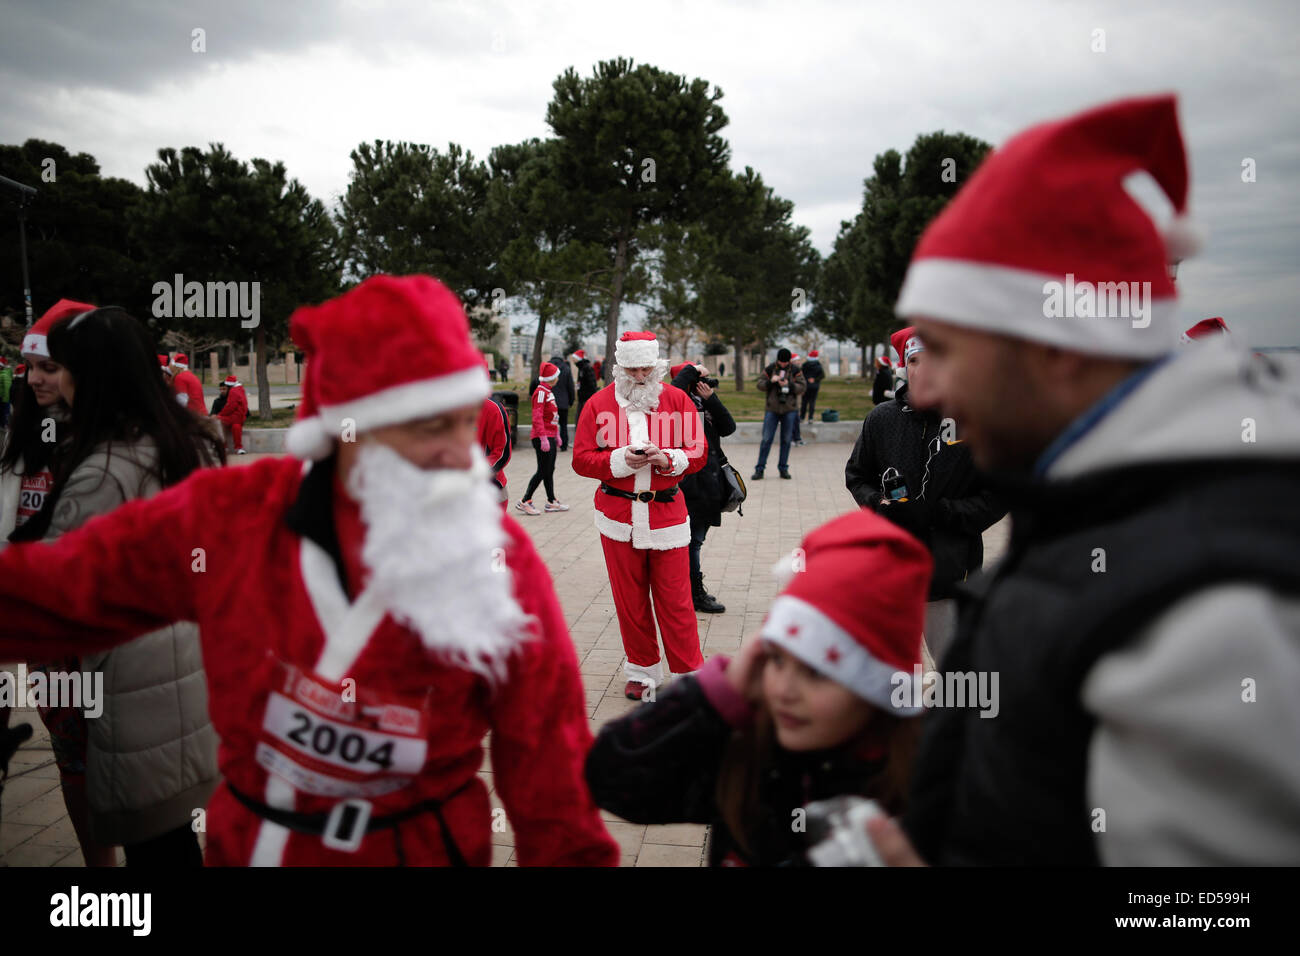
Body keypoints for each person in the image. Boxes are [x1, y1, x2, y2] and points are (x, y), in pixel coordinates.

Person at [0, 275, 620, 866]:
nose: (459, 456)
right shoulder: (235, 519)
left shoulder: (493, 557)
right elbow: (62, 591)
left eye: (464, 421)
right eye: (429, 424)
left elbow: (550, 764)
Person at [864, 94, 1300, 866]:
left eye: (946, 348)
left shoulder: (1220, 600)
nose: (923, 391)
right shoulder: (1110, 503)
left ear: (1058, 349)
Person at [585, 509, 932, 866]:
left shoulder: (918, 797)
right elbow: (609, 776)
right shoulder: (754, 748)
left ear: (874, 686)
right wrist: (720, 694)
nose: (784, 689)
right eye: (777, 660)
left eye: (817, 673)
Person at [10, 304, 226, 867]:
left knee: (157, 847)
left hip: (128, 688)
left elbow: (53, 595)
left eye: (60, 369)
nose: (44, 380)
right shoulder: (186, 441)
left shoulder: (102, 469)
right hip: (183, 673)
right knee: (173, 838)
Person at [1, 298, 117, 868]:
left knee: (131, 762)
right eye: (31, 367)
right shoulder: (21, 446)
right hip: (47, 645)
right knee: (72, 758)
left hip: (113, 640)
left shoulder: (116, 443)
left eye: (50, 366)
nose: (37, 378)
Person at [844, 326, 1005, 663]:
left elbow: (998, 496)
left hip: (949, 570)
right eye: (914, 360)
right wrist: (877, 503)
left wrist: (940, 513)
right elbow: (857, 475)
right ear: (904, 366)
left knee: (955, 668)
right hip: (889, 564)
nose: (923, 369)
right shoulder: (881, 419)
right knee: (881, 667)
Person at [572, 331, 707, 700]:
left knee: (676, 599)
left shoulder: (678, 400)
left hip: (667, 516)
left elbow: (698, 451)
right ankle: (643, 671)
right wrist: (618, 460)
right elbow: (581, 459)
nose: (641, 375)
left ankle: (688, 671)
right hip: (618, 518)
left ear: (658, 365)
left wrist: (668, 458)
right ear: (620, 367)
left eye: (647, 367)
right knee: (629, 600)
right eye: (633, 368)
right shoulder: (598, 404)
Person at [669, 362, 736, 614]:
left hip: (711, 480)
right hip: (689, 483)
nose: (705, 383)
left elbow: (729, 428)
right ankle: (694, 593)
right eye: (699, 379)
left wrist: (712, 399)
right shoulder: (673, 406)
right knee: (692, 540)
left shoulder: (703, 403)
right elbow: (672, 389)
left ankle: (688, 589)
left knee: (695, 539)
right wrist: (691, 371)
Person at [516, 362, 569, 515]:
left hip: (550, 435)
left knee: (549, 469)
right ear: (550, 378)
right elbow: (537, 416)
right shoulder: (540, 392)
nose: (558, 379)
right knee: (543, 470)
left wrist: (557, 434)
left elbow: (552, 416)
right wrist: (543, 438)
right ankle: (525, 500)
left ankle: (551, 501)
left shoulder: (548, 391)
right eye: (556, 376)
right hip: (542, 437)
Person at [751, 348, 805, 481]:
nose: (783, 365)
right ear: (778, 360)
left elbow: (802, 387)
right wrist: (771, 381)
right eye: (781, 362)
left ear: (789, 361)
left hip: (789, 409)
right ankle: (759, 469)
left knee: (786, 440)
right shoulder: (770, 369)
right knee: (766, 439)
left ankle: (783, 469)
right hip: (772, 409)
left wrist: (790, 385)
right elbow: (759, 384)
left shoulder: (796, 370)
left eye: (785, 362)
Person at [213, 375, 249, 455]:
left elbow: (230, 406)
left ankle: (223, 447)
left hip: (234, 417)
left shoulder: (233, 391)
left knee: (217, 420)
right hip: (240, 417)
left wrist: (220, 414)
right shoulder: (241, 389)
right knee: (236, 427)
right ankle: (239, 448)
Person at [547, 353, 576, 452]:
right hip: (563, 402)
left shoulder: (548, 368)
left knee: (550, 424)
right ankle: (563, 445)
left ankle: (550, 444)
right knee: (563, 425)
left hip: (549, 401)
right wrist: (571, 400)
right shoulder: (566, 368)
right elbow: (570, 387)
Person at [573, 349, 598, 426]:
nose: (573, 360)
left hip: (586, 398)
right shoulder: (581, 368)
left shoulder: (586, 368)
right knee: (579, 417)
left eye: (574, 358)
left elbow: (592, 383)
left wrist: (590, 397)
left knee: (584, 418)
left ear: (579, 358)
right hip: (582, 397)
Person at [800, 349, 825, 425]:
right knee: (812, 402)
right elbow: (822, 375)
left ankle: (802, 417)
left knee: (804, 402)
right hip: (815, 386)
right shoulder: (818, 365)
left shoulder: (805, 365)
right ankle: (810, 418)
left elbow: (801, 375)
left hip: (806, 386)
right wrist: (815, 379)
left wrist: (807, 379)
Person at [0, 356, 12, 428]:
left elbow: (7, 388)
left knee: (3, 412)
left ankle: (4, 425)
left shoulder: (4, 375)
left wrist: (5, 399)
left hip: (3, 398)